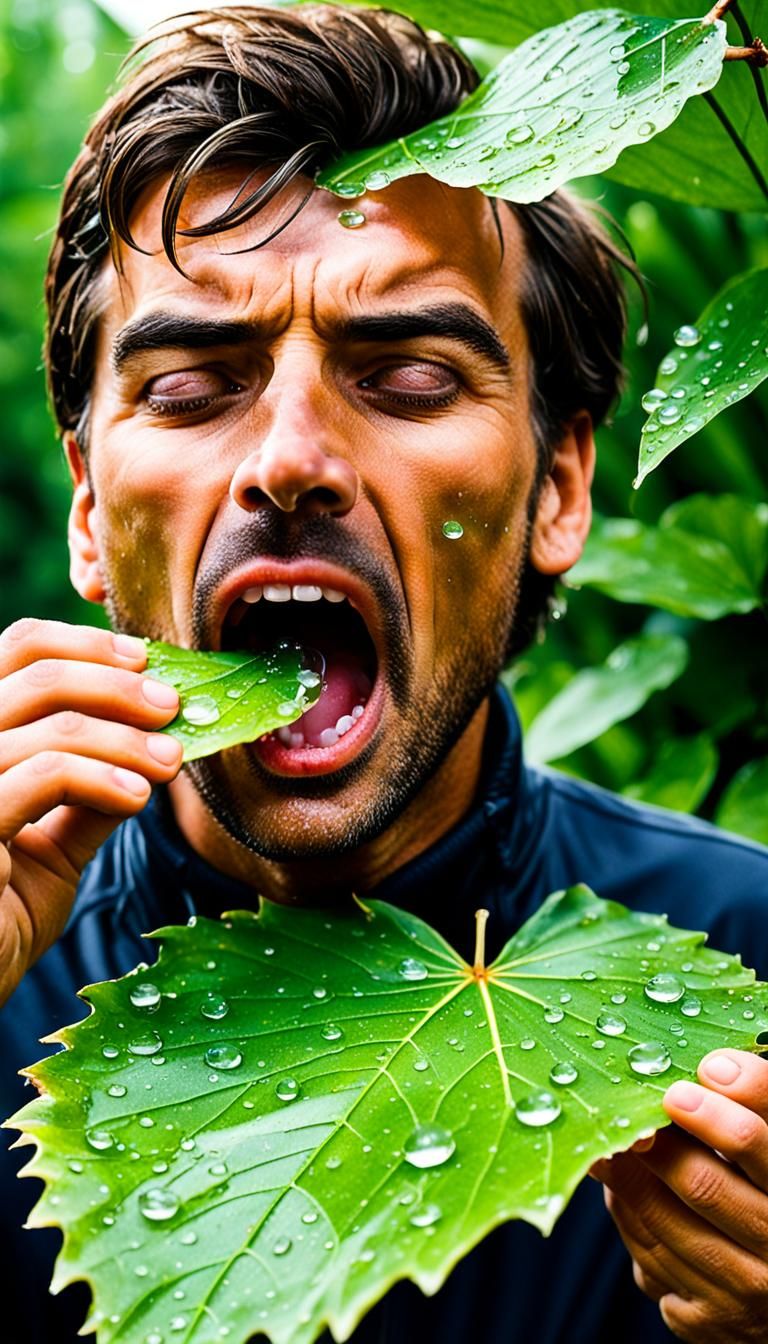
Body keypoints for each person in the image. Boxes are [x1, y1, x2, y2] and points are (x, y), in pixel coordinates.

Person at [1, 6, 766, 1342]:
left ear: (560, 487)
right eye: (189, 387)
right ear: (85, 506)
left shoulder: (750, 975)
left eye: (408, 375)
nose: (289, 456)